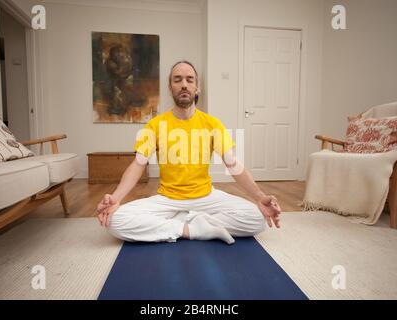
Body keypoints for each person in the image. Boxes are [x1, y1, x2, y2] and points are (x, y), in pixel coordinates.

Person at [96, 60, 281, 245]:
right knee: (115, 221)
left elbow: (233, 164)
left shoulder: (212, 124)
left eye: (189, 79)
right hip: (168, 199)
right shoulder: (155, 125)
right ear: (170, 87)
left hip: (206, 197)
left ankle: (178, 223)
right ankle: (192, 228)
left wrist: (260, 197)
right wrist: (116, 198)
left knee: (257, 218)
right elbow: (138, 164)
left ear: (197, 87)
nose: (184, 84)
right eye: (178, 79)